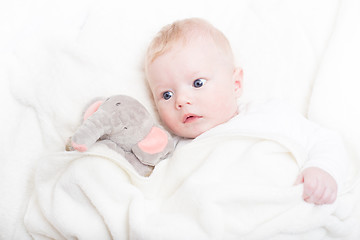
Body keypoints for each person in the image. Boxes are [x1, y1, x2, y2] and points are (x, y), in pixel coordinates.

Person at [144, 18, 348, 205]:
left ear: (236, 84)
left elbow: (325, 140)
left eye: (198, 83)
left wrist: (322, 169)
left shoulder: (269, 115)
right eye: (167, 95)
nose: (181, 100)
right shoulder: (173, 151)